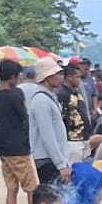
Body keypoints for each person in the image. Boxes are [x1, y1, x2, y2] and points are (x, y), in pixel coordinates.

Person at [0, 60, 37, 204]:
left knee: (11, 188)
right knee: (31, 186)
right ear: (12, 77)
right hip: (18, 147)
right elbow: (24, 117)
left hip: (3, 146)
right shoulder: (16, 94)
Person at [28, 57, 69, 185]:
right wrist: (61, 164)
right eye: (57, 74)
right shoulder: (41, 100)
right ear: (48, 77)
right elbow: (48, 136)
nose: (61, 77)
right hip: (47, 160)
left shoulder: (48, 98)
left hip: (51, 159)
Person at [57, 63, 91, 164]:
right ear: (69, 77)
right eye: (77, 77)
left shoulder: (76, 92)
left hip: (82, 138)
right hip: (71, 140)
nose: (79, 80)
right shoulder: (62, 94)